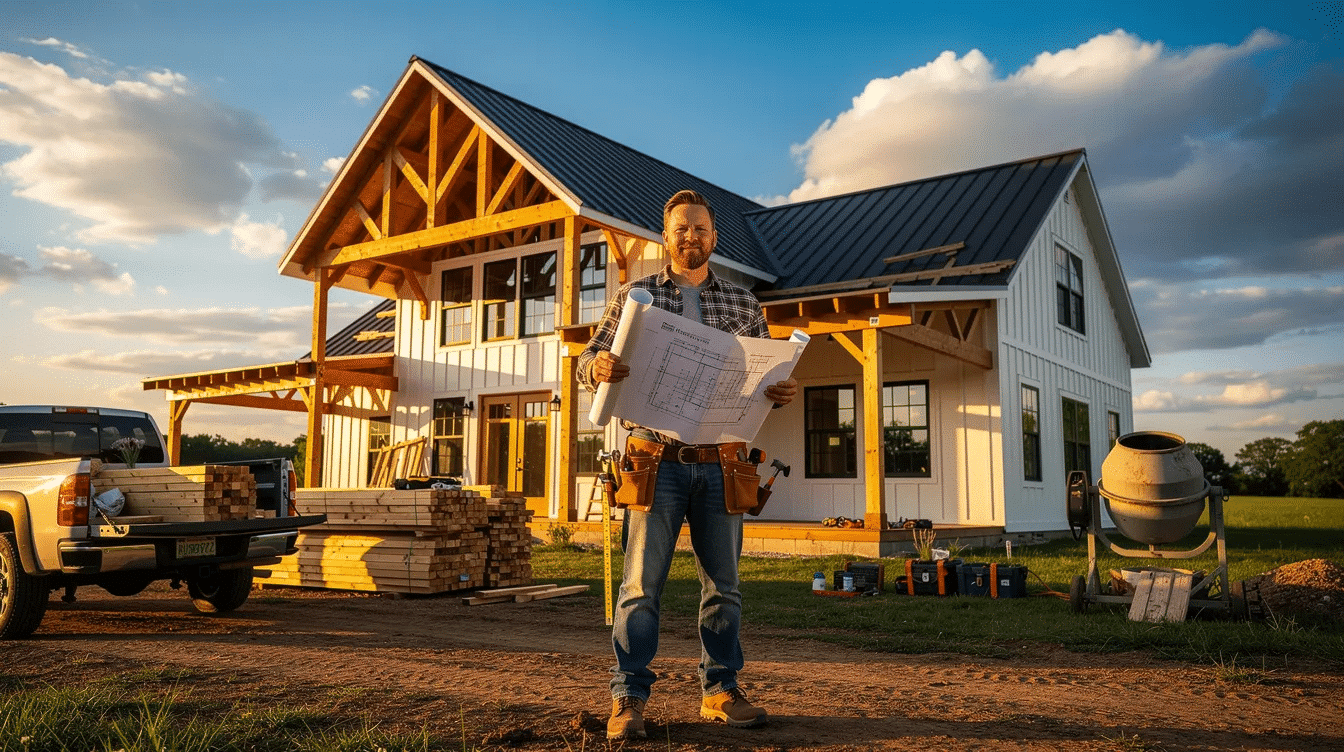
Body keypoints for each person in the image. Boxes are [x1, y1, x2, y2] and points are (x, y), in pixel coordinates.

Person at [577, 189, 797, 740]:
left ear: (713, 237)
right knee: (639, 586)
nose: (691, 237)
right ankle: (628, 699)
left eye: (701, 229)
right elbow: (588, 358)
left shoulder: (745, 306)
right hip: (656, 461)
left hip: (722, 462)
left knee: (723, 585)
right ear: (666, 236)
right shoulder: (637, 297)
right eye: (681, 229)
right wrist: (597, 364)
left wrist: (779, 388)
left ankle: (720, 691)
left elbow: (760, 379)